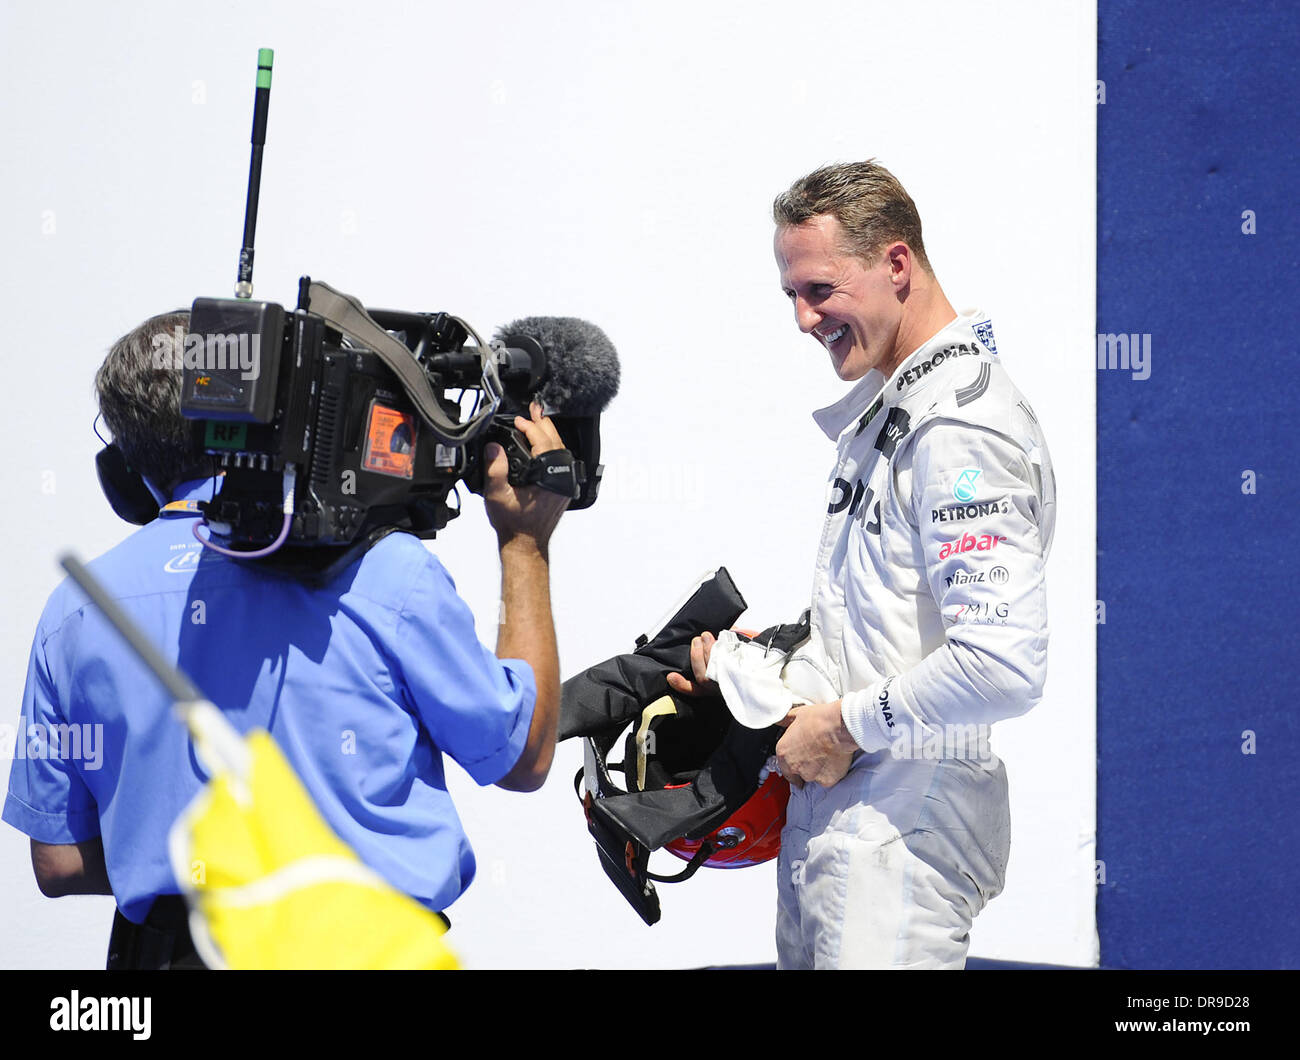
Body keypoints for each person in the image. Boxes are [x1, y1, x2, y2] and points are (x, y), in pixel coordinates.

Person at [3, 309, 570, 968]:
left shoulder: (74, 610)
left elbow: (60, 859)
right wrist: (524, 543)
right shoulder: (385, 569)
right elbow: (522, 754)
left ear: (126, 462)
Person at [671, 160, 1056, 968]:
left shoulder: (961, 428)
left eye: (820, 290)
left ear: (897, 264)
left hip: (902, 826)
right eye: (792, 296)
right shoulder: (901, 411)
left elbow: (1003, 664)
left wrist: (843, 724)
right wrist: (750, 676)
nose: (805, 319)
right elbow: (876, 642)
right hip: (857, 821)